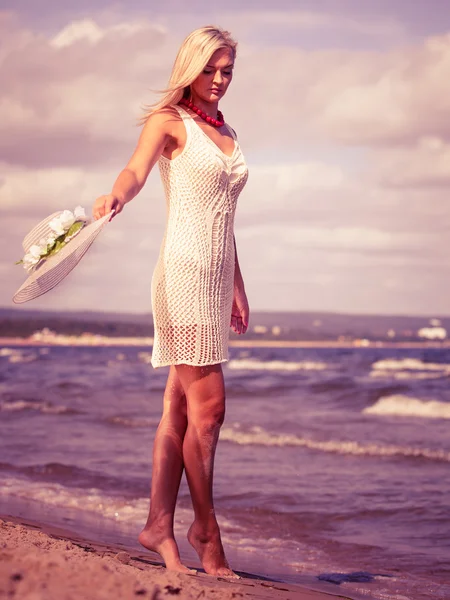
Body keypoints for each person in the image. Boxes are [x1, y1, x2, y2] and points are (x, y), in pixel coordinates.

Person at [92, 25, 249, 577]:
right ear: (190, 66)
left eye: (228, 70)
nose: (220, 80)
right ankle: (206, 532)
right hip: (181, 276)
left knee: (179, 410)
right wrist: (115, 193)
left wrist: (236, 282)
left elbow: (225, 218)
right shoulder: (170, 122)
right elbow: (135, 170)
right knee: (211, 411)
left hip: (214, 280)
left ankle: (159, 521)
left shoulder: (227, 129)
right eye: (211, 69)